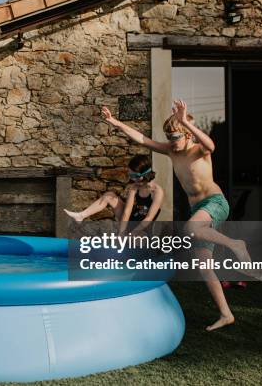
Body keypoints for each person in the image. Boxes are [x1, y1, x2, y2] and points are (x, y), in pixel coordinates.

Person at [102, 100, 250, 331]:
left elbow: (211, 145)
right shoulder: (172, 152)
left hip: (215, 203)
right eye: (168, 138)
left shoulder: (199, 150)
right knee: (204, 265)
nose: (171, 143)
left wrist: (184, 121)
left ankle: (236, 244)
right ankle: (226, 313)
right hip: (198, 211)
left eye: (175, 137)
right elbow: (142, 139)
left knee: (190, 229)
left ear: (187, 135)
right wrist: (115, 122)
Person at [63, 154, 163, 236]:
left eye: (133, 176)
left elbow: (149, 218)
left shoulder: (157, 191)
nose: (131, 179)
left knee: (138, 240)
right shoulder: (134, 188)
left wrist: (132, 234)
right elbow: (127, 212)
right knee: (109, 196)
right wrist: (121, 233)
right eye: (130, 175)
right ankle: (81, 215)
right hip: (128, 223)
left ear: (143, 175)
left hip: (142, 228)